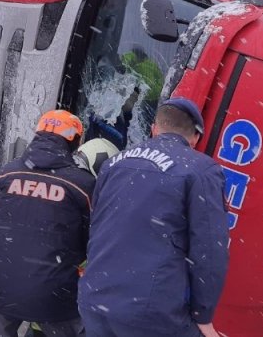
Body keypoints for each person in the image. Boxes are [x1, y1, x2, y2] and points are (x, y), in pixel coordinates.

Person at [78, 97, 229, 337]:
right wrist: (204, 315)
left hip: (94, 300)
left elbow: (96, 227)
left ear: (154, 129)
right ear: (196, 137)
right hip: (149, 313)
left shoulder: (113, 164)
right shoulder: (201, 169)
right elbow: (209, 249)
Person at [0, 109, 96, 337]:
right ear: (74, 140)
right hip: (53, 295)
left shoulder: (5, 174)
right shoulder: (83, 185)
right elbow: (92, 241)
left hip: (1, 286)